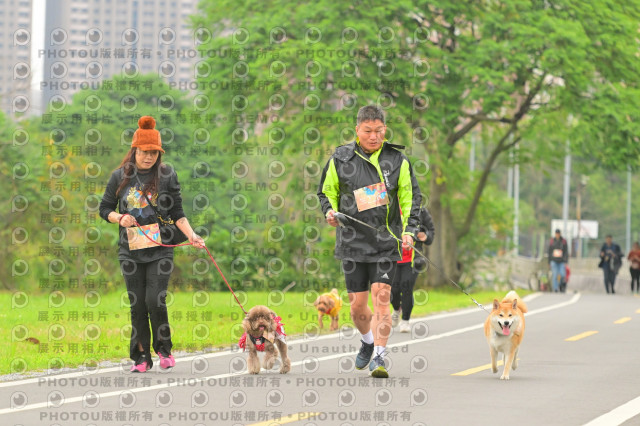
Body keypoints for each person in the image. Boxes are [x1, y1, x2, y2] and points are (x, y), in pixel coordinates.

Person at [317, 105, 422, 378]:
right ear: (357, 130)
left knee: (382, 298)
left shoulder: (397, 160)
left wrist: (409, 231)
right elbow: (326, 192)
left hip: (386, 242)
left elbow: (411, 199)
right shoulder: (341, 158)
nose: (374, 136)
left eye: (379, 130)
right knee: (356, 306)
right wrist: (329, 212)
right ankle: (367, 341)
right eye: (368, 131)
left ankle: (379, 357)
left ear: (385, 129)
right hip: (352, 243)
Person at [99, 116, 205, 372]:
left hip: (160, 249)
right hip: (130, 251)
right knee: (137, 305)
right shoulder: (119, 176)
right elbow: (104, 209)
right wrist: (119, 218)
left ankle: (164, 349)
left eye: (154, 153)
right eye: (144, 152)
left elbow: (177, 213)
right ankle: (141, 357)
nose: (149, 157)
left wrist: (192, 235)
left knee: (155, 300)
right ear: (135, 150)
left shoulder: (167, 175)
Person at [391, 206, 435, 333]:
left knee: (406, 287)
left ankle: (405, 321)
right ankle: (396, 309)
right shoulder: (389, 206)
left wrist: (425, 236)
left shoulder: (419, 210)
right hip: (393, 258)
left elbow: (431, 231)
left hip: (412, 260)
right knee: (393, 290)